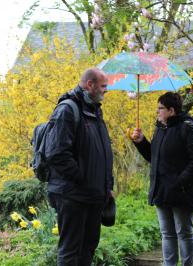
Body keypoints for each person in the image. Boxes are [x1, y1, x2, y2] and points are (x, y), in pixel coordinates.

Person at [45, 68, 114, 265]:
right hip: (72, 195)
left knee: (88, 248)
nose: (106, 90)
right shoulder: (68, 109)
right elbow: (57, 153)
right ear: (90, 85)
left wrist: (106, 186)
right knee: (70, 251)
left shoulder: (94, 110)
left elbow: (100, 153)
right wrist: (83, 178)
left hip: (93, 195)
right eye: (103, 86)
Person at [131, 92, 193, 266]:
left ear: (171, 110)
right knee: (167, 233)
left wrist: (179, 182)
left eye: (160, 109)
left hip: (182, 191)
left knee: (184, 232)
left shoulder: (188, 128)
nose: (157, 112)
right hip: (162, 190)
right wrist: (141, 142)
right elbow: (154, 157)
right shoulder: (161, 129)